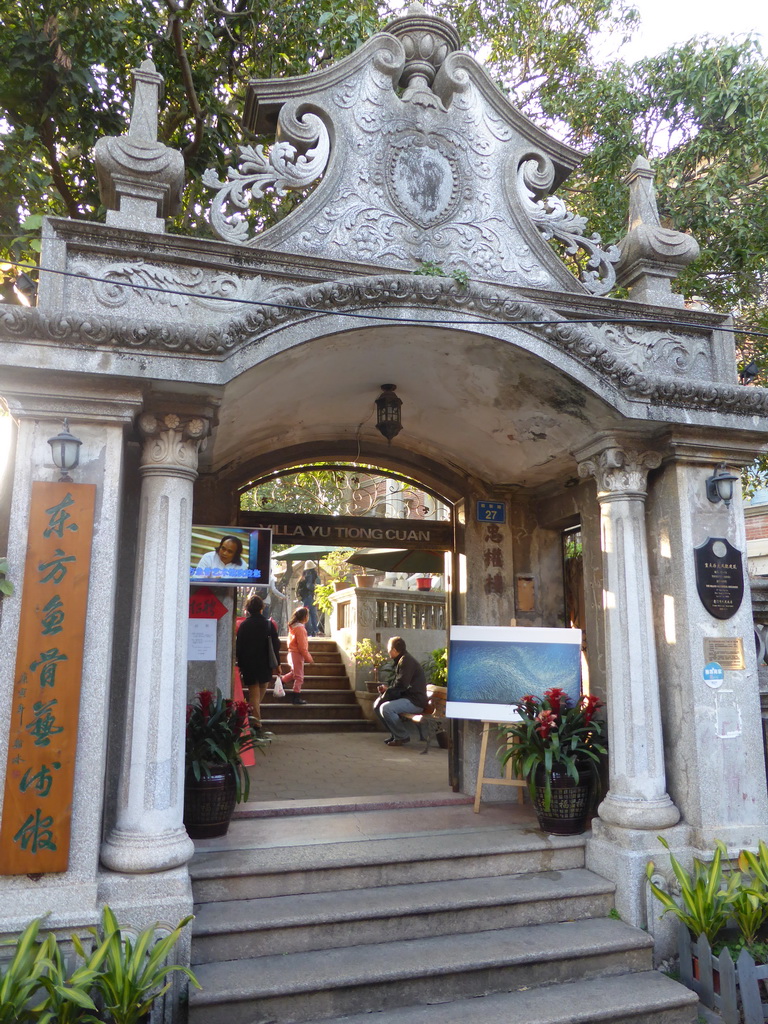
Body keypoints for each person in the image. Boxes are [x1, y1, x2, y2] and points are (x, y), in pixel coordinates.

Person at [235, 594, 279, 737]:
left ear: (248, 609)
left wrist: (240, 663)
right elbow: (275, 646)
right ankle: (256, 723)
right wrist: (277, 663)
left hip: (249, 664)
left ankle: (250, 714)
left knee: (255, 693)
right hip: (265, 663)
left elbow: (239, 646)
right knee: (260, 691)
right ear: (261, 607)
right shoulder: (268, 624)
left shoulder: (244, 625)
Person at [373, 636, 428, 746]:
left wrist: (388, 692)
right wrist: (387, 689)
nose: (387, 651)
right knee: (377, 706)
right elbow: (400, 684)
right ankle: (396, 734)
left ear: (394, 650)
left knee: (386, 708)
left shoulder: (406, 661)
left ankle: (402, 736)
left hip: (415, 701)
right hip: (408, 698)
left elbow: (402, 684)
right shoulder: (402, 660)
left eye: (388, 648)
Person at [280, 606, 313, 705]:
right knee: (299, 677)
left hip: (292, 653)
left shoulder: (293, 627)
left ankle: (282, 681)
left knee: (294, 673)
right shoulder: (300, 629)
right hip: (297, 654)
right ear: (304, 617)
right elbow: (302, 647)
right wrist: (309, 659)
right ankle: (296, 696)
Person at [296, 560, 319, 636]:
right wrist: (316, 587)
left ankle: (311, 631)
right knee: (312, 614)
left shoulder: (304, 575)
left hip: (305, 598)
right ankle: (314, 631)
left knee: (307, 614)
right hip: (309, 596)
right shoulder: (311, 574)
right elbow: (309, 586)